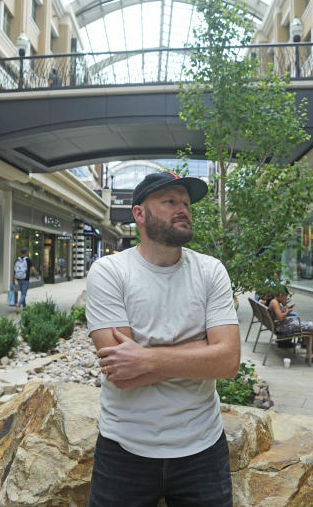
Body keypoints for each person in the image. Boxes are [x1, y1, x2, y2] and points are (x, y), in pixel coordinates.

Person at [86, 172, 240, 506]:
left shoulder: (210, 271)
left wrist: (145, 359)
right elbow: (122, 376)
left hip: (203, 448)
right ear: (139, 214)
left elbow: (227, 361)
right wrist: (201, 351)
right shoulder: (110, 272)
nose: (183, 209)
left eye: (185, 202)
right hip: (124, 449)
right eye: (170, 201)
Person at [268, 290, 313, 362]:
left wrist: (285, 307)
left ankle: (310, 354)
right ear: (280, 294)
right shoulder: (275, 302)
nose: (286, 299)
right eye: (285, 297)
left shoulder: (275, 302)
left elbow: (279, 315)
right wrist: (287, 312)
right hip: (284, 327)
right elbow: (280, 317)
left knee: (307, 329)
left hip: (283, 325)